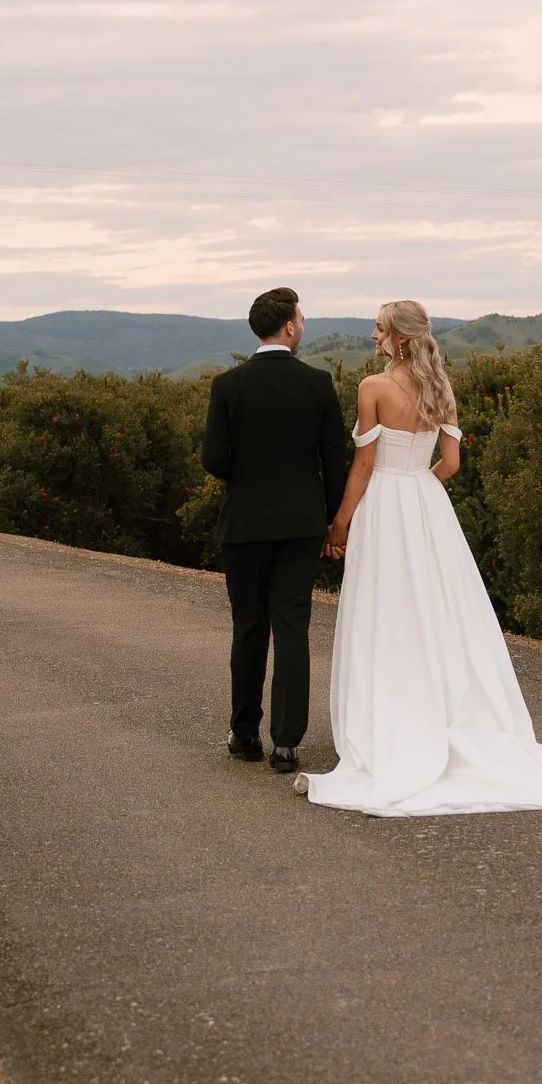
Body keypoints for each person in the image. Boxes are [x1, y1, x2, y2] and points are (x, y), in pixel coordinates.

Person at [300, 299, 542, 816]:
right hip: (427, 504)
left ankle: (389, 721)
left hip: (386, 507)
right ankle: (446, 715)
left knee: (387, 609)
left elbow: (364, 466)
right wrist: (419, 489)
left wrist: (343, 522)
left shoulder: (372, 388)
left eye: (377, 329)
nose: (371, 336)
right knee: (442, 612)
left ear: (397, 337)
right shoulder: (442, 388)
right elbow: (452, 463)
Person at [202, 286, 347, 773]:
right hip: (301, 524)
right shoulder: (318, 384)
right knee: (292, 628)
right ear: (289, 327)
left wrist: (251, 476)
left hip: (244, 524)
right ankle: (285, 744)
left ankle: (244, 734)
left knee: (248, 627)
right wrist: (332, 521)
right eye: (302, 319)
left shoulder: (228, 385)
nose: (303, 326)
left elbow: (214, 460)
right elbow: (334, 461)